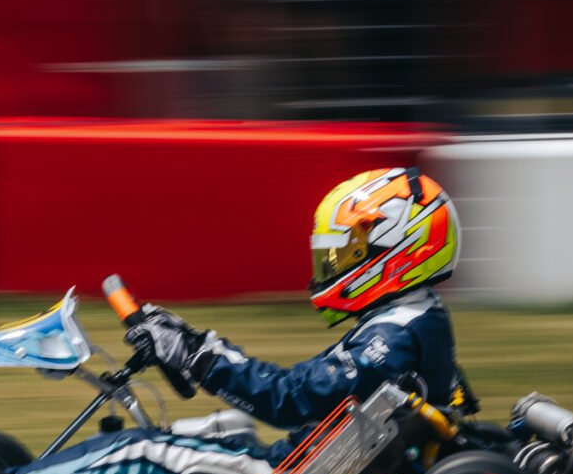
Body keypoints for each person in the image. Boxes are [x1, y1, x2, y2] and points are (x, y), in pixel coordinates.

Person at [122, 165, 462, 444]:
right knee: (221, 429)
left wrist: (199, 356)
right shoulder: (419, 317)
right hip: (311, 459)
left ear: (400, 249)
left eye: (348, 252)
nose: (333, 265)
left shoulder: (394, 338)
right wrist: (194, 345)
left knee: (135, 451)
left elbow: (292, 397)